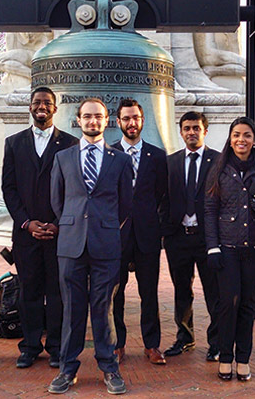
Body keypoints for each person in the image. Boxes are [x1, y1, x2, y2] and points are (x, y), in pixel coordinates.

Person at [48, 98, 134, 395]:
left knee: (103, 308)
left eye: (98, 116)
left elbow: (125, 205)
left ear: (106, 120)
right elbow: (57, 201)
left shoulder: (120, 160)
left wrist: (103, 224)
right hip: (71, 244)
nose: (93, 121)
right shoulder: (63, 158)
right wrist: (75, 224)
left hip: (106, 244)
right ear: (79, 120)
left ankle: (109, 367)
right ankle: (66, 369)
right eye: (87, 116)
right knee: (71, 309)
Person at [2, 86, 78, 369]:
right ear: (30, 107)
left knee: (58, 292)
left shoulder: (70, 144)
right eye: (37, 102)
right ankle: (30, 345)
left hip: (59, 234)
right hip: (26, 233)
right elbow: (8, 188)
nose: (41, 106)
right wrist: (27, 222)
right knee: (29, 291)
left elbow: (75, 188)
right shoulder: (13, 143)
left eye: (47, 102)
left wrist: (58, 224)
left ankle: (56, 346)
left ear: (55, 108)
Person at [204, 116, 255, 381]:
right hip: (226, 247)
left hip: (254, 248)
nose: (241, 140)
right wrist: (212, 247)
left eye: (247, 135)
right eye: (237, 134)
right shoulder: (219, 168)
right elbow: (210, 209)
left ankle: (243, 359)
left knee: (247, 304)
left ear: (254, 140)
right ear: (230, 138)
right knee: (228, 303)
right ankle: (225, 356)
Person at [160, 111, 221, 361]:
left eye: (196, 128)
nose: (191, 132)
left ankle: (217, 342)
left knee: (213, 291)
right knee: (181, 290)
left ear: (205, 131)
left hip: (207, 238)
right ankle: (185, 337)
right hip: (178, 237)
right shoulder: (170, 162)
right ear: (181, 132)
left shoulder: (218, 161)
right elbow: (162, 199)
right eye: (186, 128)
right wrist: (165, 230)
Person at [110, 99, 168, 365]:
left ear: (142, 121)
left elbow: (162, 195)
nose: (131, 123)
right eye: (126, 118)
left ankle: (152, 345)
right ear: (118, 121)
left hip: (147, 235)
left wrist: (157, 227)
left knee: (149, 292)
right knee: (116, 293)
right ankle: (117, 344)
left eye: (135, 118)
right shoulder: (109, 154)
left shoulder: (156, 156)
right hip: (117, 237)